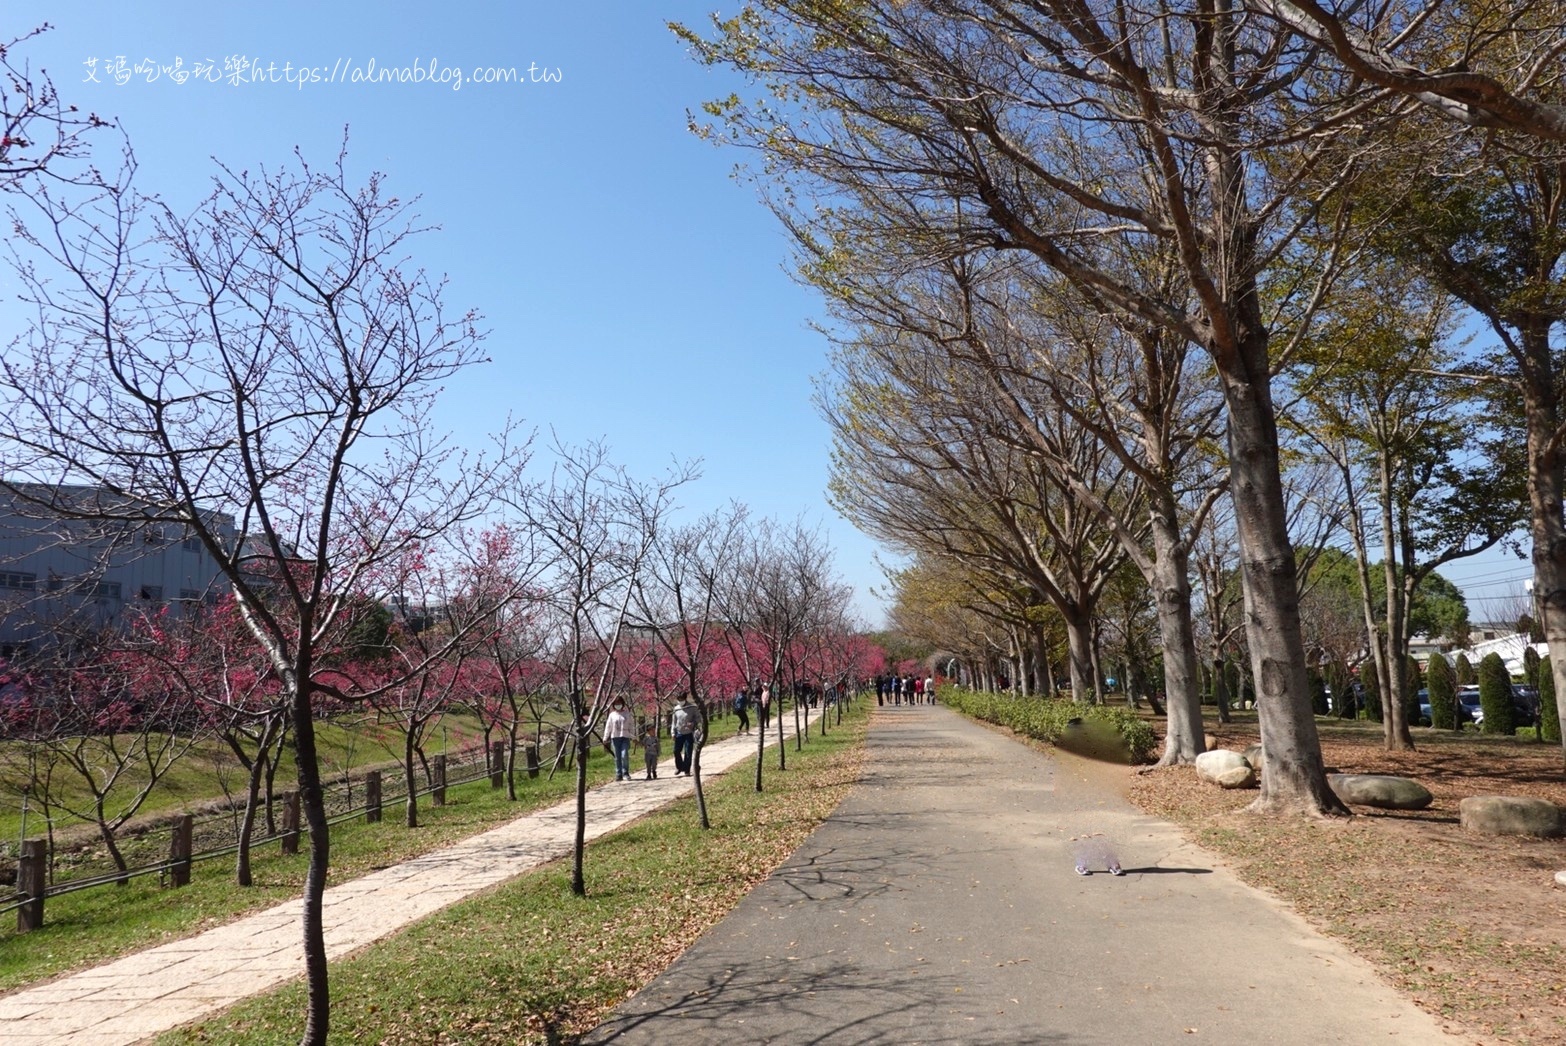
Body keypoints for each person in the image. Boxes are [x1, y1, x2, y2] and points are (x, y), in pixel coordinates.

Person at [604, 698, 633, 782]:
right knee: (617, 757)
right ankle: (618, 773)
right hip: (615, 737)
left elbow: (631, 725)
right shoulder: (612, 715)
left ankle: (626, 772)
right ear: (613, 705)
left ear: (623, 704)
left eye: (619, 703)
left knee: (624, 755)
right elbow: (608, 726)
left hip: (625, 737)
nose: (618, 705)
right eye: (616, 703)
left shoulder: (627, 714)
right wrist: (605, 737)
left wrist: (633, 736)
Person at [671, 696, 698, 776]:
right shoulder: (676, 709)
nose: (680, 701)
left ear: (685, 699)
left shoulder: (692, 707)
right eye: (678, 700)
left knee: (688, 752)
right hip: (679, 733)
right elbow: (674, 721)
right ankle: (679, 767)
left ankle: (687, 769)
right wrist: (673, 732)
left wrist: (693, 723)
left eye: (681, 699)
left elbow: (698, 718)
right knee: (676, 751)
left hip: (689, 733)